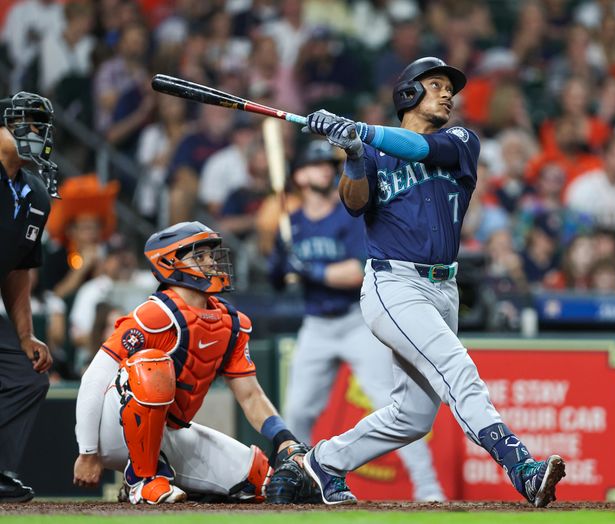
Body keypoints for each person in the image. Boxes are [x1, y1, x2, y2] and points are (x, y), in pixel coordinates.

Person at [300, 56, 566, 506]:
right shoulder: (373, 152)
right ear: (408, 94)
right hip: (394, 284)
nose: (448, 94)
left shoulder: (461, 140)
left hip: (445, 288)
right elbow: (354, 204)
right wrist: (353, 155)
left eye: (450, 88)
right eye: (437, 84)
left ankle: (324, 462)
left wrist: (360, 131)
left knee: (411, 418)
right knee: (456, 367)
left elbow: (423, 150)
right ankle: (521, 465)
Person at [73, 222, 319, 505]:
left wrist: (283, 438)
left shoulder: (231, 322)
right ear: (169, 264)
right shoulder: (155, 314)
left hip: (168, 432)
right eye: (199, 256)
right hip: (115, 429)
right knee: (152, 366)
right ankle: (141, 480)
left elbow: (251, 395)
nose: (212, 262)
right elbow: (94, 378)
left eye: (210, 255)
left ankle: (169, 477)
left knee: (258, 479)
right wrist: (88, 452)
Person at [271, 141, 444, 501]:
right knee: (297, 412)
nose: (326, 169)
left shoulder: (347, 216)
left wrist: (310, 269)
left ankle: (429, 489)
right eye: (316, 164)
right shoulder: (291, 224)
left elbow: (355, 271)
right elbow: (276, 277)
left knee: (393, 406)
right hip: (316, 325)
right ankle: (289, 484)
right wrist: (283, 265)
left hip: (355, 322)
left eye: (327, 164)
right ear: (300, 176)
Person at [0, 91, 58, 502]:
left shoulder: (36, 194)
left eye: (39, 125)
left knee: (26, 377)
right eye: (23, 123)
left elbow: (18, 269)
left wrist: (25, 335)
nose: (33, 133)